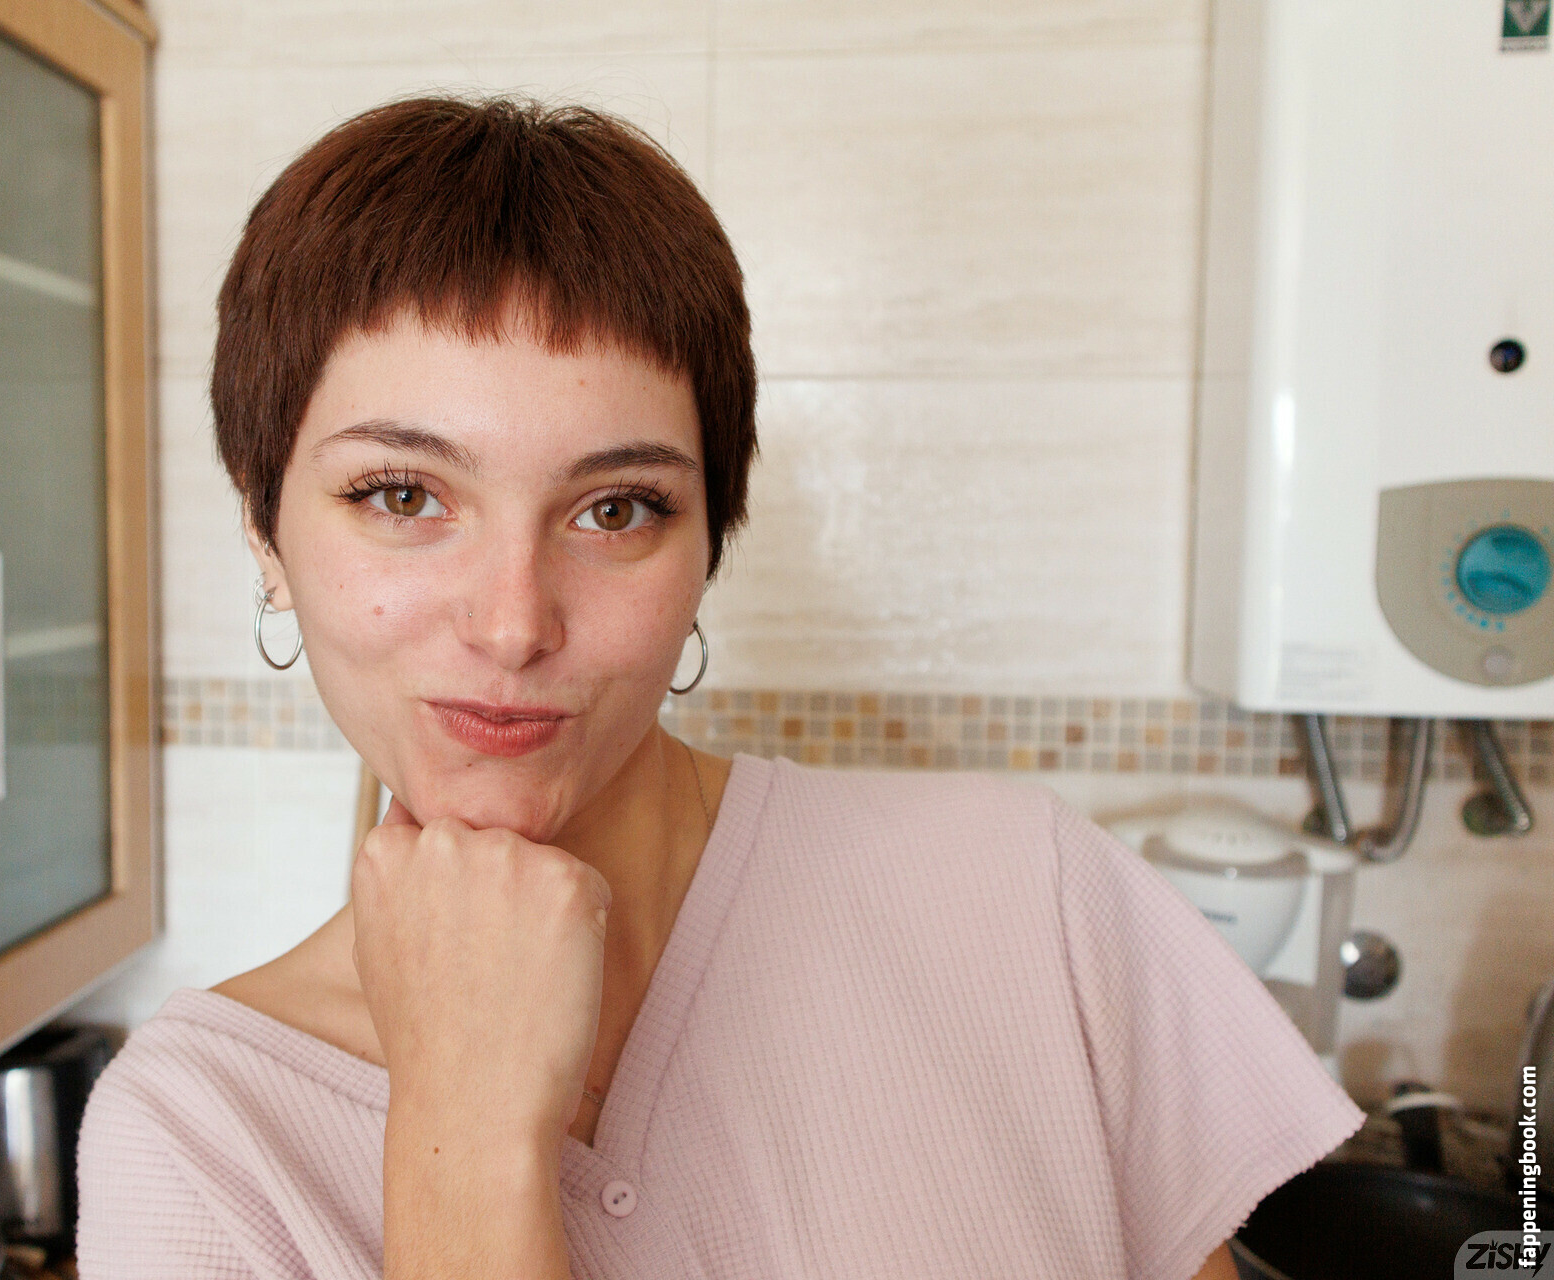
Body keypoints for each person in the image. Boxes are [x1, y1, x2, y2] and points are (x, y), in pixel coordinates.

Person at [76, 95, 1364, 1279]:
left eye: (615, 508)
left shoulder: (1029, 897)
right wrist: (468, 1136)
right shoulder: (198, 1136)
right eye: (402, 495)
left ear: (711, 543)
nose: (514, 624)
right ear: (264, 525)